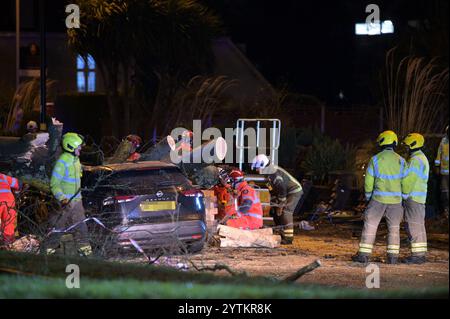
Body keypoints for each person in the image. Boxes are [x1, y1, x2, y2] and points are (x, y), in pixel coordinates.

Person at [352, 130, 406, 264]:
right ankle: (393, 258)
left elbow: (369, 181)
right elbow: (405, 181)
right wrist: (403, 197)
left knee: (370, 226)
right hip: (396, 201)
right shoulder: (402, 161)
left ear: (381, 142)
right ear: (394, 142)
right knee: (394, 228)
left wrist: (368, 196)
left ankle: (364, 255)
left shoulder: (375, 159)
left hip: (378, 199)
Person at [49, 132, 91, 255]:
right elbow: (54, 184)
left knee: (81, 228)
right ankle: (49, 253)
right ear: (71, 146)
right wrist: (62, 198)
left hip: (77, 200)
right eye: (79, 147)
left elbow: (76, 176)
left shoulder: (76, 160)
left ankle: (86, 253)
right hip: (65, 202)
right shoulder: (62, 162)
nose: (80, 149)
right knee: (57, 228)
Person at [251, 154, 303, 244]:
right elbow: (273, 189)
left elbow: (281, 189)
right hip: (286, 192)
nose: (256, 170)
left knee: (286, 211)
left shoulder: (273, 173)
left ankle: (288, 238)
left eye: (257, 167)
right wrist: (275, 203)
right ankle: (280, 232)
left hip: (294, 191)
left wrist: (281, 204)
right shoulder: (268, 173)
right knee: (274, 211)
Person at [401, 133, 429, 264]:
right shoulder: (421, 158)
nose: (406, 148)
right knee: (419, 225)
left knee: (413, 226)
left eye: (407, 145)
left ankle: (417, 256)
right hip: (419, 198)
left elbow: (408, 180)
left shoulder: (415, 160)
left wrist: (404, 195)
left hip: (413, 197)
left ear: (413, 144)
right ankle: (421, 253)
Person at [0, 172, 23, 245]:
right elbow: (18, 184)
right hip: (9, 204)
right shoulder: (3, 177)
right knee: (8, 227)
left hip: (6, 203)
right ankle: (8, 247)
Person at [435, 125, 449, 217]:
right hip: (444, 172)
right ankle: (446, 210)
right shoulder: (443, 141)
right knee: (444, 192)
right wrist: (437, 166)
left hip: (444, 172)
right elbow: (439, 154)